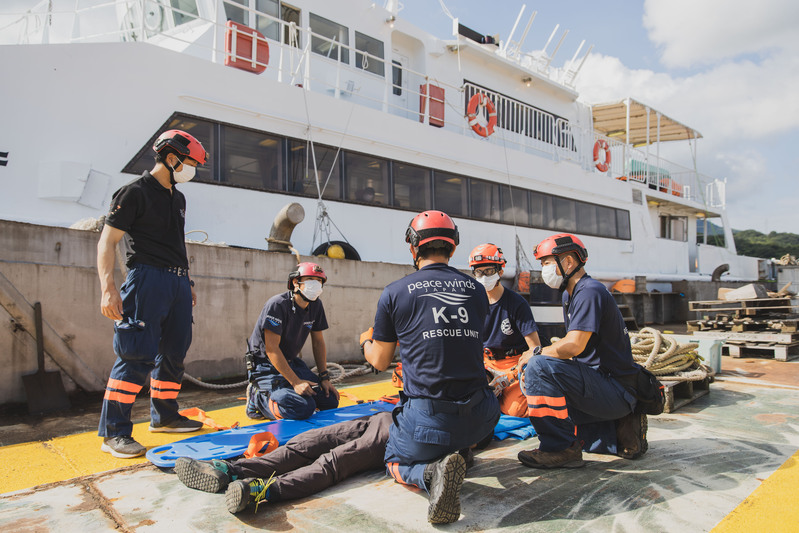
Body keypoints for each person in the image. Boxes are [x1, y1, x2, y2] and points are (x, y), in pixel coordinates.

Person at [362, 210, 500, 525]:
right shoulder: (477, 290)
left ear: (413, 248)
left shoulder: (395, 292)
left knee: (392, 458)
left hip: (428, 423)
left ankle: (429, 474)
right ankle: (460, 450)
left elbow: (380, 360)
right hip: (483, 419)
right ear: (453, 248)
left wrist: (365, 343)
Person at [96, 129, 208, 458]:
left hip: (176, 282)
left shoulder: (178, 198)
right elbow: (107, 241)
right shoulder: (133, 193)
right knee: (136, 355)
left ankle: (165, 416)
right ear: (171, 158)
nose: (193, 170)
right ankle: (114, 432)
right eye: (190, 163)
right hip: (145, 280)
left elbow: (176, 243)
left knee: (174, 351)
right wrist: (108, 288)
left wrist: (186, 281)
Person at [517, 233, 647, 470]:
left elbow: (574, 345)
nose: (543, 269)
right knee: (543, 372)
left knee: (538, 366)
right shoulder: (571, 293)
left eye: (546, 263)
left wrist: (536, 352)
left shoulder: (589, 291)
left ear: (567, 262)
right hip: (603, 384)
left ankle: (560, 449)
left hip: (615, 388)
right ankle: (617, 428)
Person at [174, 411, 392, 513]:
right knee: (307, 442)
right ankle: (231, 471)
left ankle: (262, 489)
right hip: (384, 417)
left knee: (334, 461)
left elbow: (379, 359)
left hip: (400, 434)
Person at [246, 262, 340, 421]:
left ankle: (284, 389)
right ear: (296, 282)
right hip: (265, 365)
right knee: (303, 408)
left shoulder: (316, 305)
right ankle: (258, 397)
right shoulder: (277, 305)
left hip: (291, 363)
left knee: (329, 400)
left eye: (319, 281)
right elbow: (272, 349)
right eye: (310, 279)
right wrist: (296, 382)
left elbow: (318, 342)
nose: (315, 284)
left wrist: (324, 378)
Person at [468, 244, 542, 417]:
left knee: (514, 411)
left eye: (489, 271)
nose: (484, 277)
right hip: (485, 361)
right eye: (479, 272)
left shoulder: (516, 304)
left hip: (514, 362)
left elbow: (535, 349)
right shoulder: (472, 304)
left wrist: (510, 376)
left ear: (500, 271)